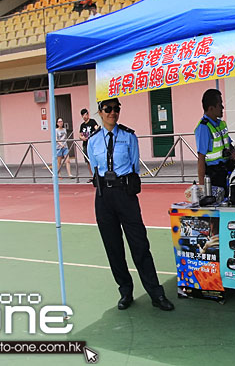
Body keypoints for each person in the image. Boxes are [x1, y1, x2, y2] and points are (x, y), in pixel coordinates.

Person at [87, 98, 174, 311]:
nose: (113, 113)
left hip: (125, 194)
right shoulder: (93, 141)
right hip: (103, 197)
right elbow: (94, 168)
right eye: (108, 109)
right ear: (99, 111)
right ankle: (125, 291)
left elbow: (134, 166)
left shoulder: (129, 137)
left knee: (140, 245)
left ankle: (156, 293)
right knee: (113, 248)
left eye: (117, 109)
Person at [195, 89, 235, 191]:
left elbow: (227, 142)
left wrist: (233, 151)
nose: (223, 107)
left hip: (227, 169)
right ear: (211, 108)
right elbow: (201, 157)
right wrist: (202, 187)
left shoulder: (221, 124)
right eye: (220, 105)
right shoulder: (204, 128)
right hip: (214, 175)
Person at [79, 108, 100, 179]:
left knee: (95, 158)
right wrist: (82, 138)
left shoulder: (92, 121)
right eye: (83, 115)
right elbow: (80, 135)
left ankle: (97, 174)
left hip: (93, 144)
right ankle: (92, 175)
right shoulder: (82, 125)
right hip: (85, 144)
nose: (84, 116)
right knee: (87, 160)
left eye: (85, 115)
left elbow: (97, 129)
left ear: (88, 114)